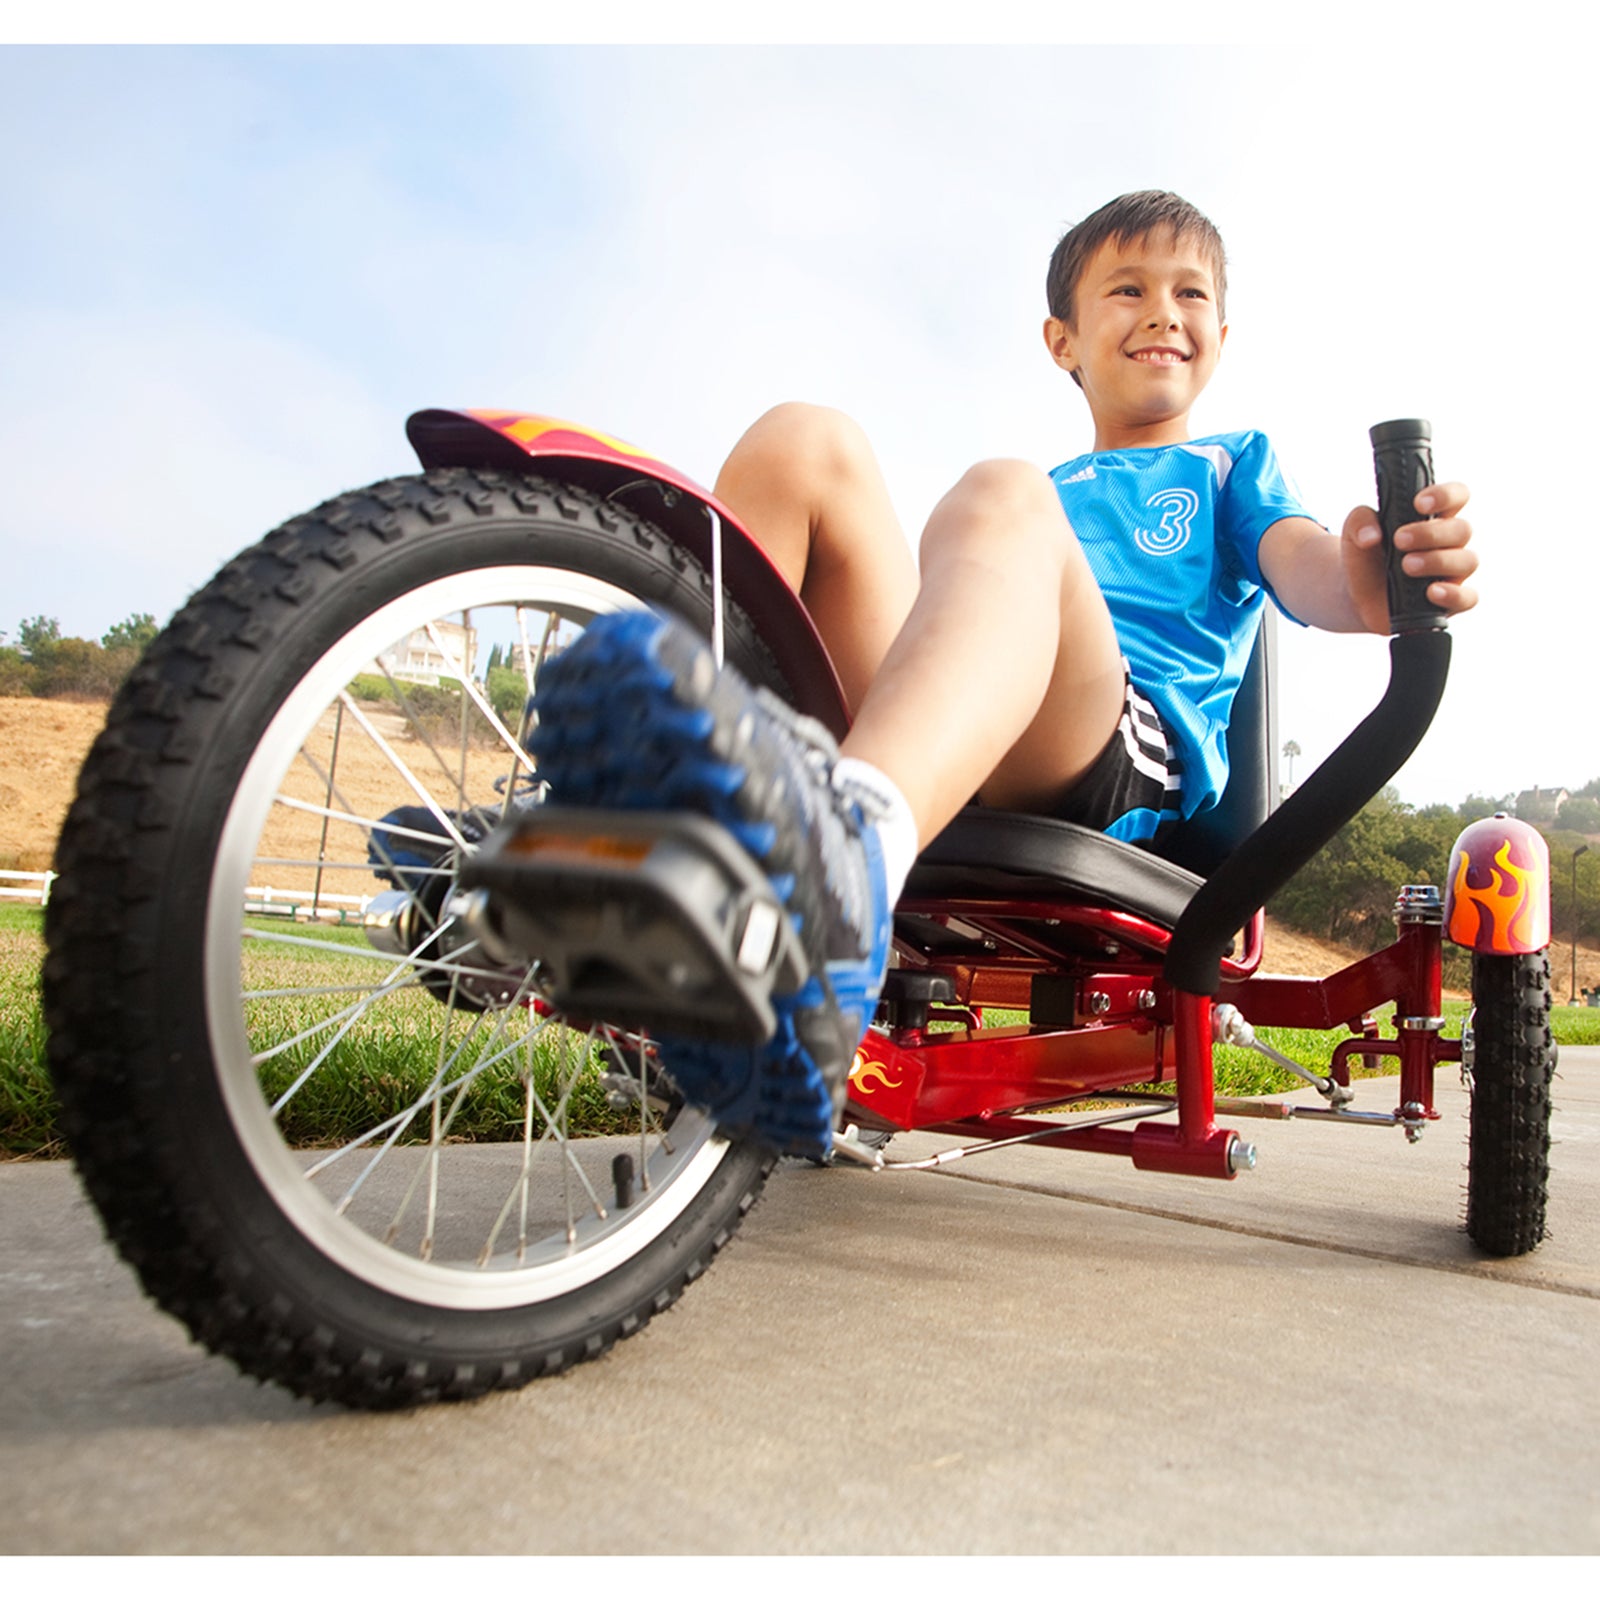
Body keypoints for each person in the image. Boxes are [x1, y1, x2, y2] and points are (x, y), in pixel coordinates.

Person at [528, 190, 1479, 1156]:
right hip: (952, 718)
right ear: (1061, 340)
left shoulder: (1230, 468)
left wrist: (1368, 582)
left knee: (999, 492)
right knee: (804, 439)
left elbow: (1311, 571)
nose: (1162, 311)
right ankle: (621, 823)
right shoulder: (1048, 490)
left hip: (1105, 743)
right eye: (1127, 289)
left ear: (1221, 337)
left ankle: (840, 869)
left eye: (1189, 293)